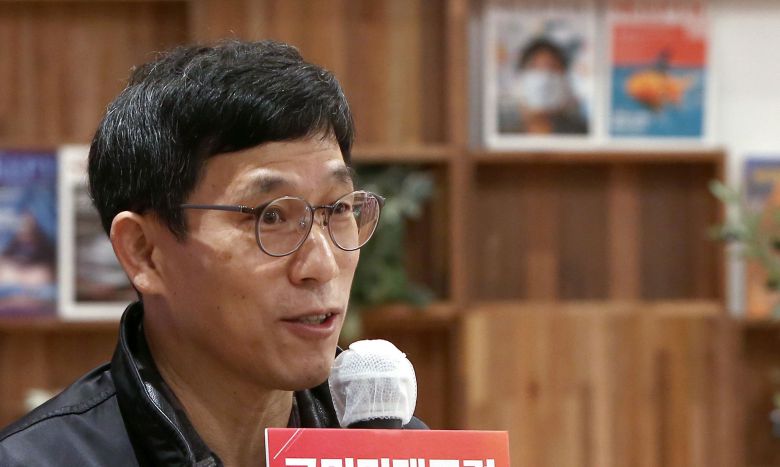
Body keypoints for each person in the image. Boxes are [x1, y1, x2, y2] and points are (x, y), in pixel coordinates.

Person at [0, 39, 426, 466]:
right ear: (144, 252)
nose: (322, 264)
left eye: (338, 209)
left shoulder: (395, 452)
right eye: (271, 217)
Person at [499, 36, 588, 135]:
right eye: (534, 67)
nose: (544, 77)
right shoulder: (500, 132)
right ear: (519, 78)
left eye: (552, 67)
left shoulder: (582, 134)